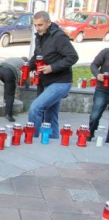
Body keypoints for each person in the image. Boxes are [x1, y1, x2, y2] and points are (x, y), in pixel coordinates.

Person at [28, 11, 79, 139]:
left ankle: (31, 141)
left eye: (40, 25)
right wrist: (27, 67)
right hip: (46, 81)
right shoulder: (39, 36)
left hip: (61, 82)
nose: (37, 28)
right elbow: (37, 56)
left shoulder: (59, 37)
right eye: (35, 25)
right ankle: (53, 144)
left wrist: (52, 67)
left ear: (48, 22)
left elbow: (73, 57)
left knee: (35, 108)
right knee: (51, 117)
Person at [0, 57, 28, 122]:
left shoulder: (15, 59)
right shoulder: (24, 64)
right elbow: (26, 76)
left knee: (7, 84)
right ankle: (9, 114)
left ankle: (5, 99)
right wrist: (27, 86)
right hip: (9, 72)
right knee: (10, 94)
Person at [88, 48, 109, 142]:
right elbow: (94, 65)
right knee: (95, 115)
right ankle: (90, 133)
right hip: (102, 89)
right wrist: (97, 74)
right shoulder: (106, 52)